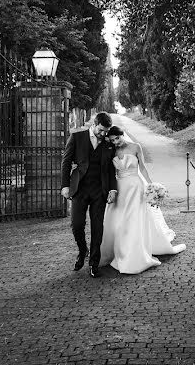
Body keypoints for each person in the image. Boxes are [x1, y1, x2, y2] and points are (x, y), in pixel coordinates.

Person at [99, 126, 186, 274]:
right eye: (113, 140)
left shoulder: (135, 147)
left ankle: (135, 253)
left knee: (135, 219)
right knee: (119, 221)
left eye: (117, 138)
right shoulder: (111, 150)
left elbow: (143, 168)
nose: (116, 142)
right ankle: (120, 251)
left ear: (122, 135)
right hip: (120, 188)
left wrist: (151, 184)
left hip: (135, 187)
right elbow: (109, 173)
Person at [61, 112, 118, 278]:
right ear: (94, 123)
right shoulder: (77, 137)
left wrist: (113, 189)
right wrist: (65, 185)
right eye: (100, 130)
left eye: (105, 132)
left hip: (99, 191)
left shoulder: (108, 144)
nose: (102, 134)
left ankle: (94, 263)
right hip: (79, 189)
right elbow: (66, 161)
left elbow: (110, 169)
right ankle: (82, 250)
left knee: (97, 227)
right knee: (77, 225)